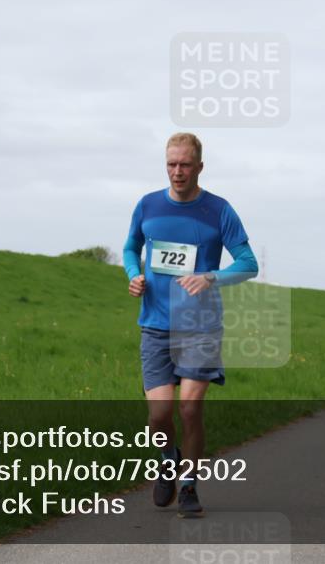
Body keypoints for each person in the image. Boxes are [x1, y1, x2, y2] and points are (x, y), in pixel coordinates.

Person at [124, 133, 258, 518]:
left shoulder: (218, 210)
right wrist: (134, 274)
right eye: (171, 164)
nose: (177, 171)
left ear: (199, 166)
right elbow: (132, 247)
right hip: (155, 324)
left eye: (185, 164)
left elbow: (248, 263)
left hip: (200, 324)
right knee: (159, 416)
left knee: (189, 408)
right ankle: (169, 458)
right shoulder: (148, 205)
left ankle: (188, 486)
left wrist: (210, 277)